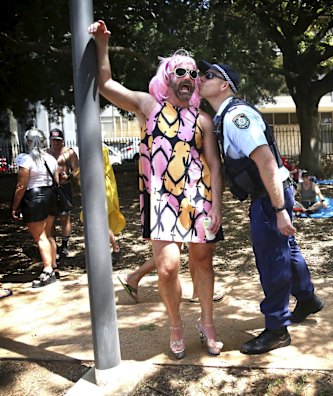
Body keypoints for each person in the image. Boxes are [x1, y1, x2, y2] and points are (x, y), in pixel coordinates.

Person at [89, 20, 224, 358]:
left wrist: (218, 206)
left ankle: (207, 324)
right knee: (167, 268)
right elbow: (105, 84)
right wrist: (102, 45)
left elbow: (215, 165)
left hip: (198, 200)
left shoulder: (203, 120)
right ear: (168, 76)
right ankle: (176, 324)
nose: (188, 79)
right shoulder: (148, 107)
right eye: (181, 72)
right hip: (160, 200)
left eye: (194, 74)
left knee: (203, 261)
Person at [198, 60, 324, 355]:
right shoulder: (224, 116)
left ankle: (277, 330)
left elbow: (265, 161)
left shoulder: (236, 116)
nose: (200, 79)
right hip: (273, 193)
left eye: (208, 75)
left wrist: (279, 210)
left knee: (272, 261)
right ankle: (307, 299)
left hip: (270, 197)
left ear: (224, 84)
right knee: (287, 251)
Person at [11, 128, 60, 288]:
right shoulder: (50, 158)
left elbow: (21, 185)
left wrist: (15, 206)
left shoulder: (26, 159)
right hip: (50, 196)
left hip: (34, 198)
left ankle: (47, 270)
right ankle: (53, 266)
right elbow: (57, 181)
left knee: (40, 237)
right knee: (48, 234)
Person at [80, 145, 126, 264]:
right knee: (98, 221)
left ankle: (115, 248)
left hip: (100, 189)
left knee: (100, 221)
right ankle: (107, 250)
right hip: (99, 188)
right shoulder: (96, 150)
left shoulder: (98, 150)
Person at [46, 128, 79, 259]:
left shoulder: (69, 153)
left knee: (65, 217)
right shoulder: (45, 153)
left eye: (58, 140)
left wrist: (69, 176)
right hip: (49, 188)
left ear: (63, 140)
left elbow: (76, 170)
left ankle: (64, 245)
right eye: (53, 140)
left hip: (64, 187)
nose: (56, 143)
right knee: (50, 218)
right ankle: (52, 244)